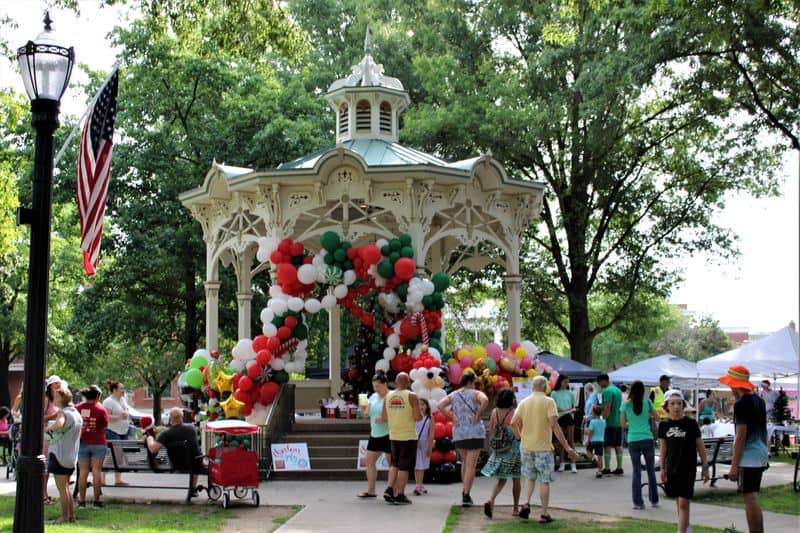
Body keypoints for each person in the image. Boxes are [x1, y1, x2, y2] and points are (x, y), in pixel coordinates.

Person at [511, 375, 576, 523]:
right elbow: (555, 426)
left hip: (526, 447)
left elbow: (513, 423)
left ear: (532, 387)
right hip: (544, 448)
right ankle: (544, 513)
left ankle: (526, 503)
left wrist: (520, 438)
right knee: (544, 481)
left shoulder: (524, 402)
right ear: (545, 387)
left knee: (529, 477)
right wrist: (566, 447)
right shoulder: (549, 402)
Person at [721, 365, 768, 533]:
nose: (730, 388)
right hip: (761, 454)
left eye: (730, 384)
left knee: (750, 497)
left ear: (735, 385)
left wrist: (734, 465)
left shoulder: (741, 404)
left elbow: (741, 436)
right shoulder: (759, 400)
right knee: (752, 496)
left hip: (749, 456)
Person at [658, 389, 709, 533]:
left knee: (684, 502)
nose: (676, 407)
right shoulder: (664, 425)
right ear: (667, 406)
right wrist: (662, 468)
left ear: (683, 405)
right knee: (678, 500)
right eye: (672, 403)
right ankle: (686, 528)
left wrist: (705, 467)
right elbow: (663, 448)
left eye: (679, 403)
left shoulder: (691, 424)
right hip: (672, 467)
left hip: (688, 468)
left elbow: (701, 446)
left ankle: (680, 531)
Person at [438, 372, 488, 506]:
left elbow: (440, 405)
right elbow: (485, 400)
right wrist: (478, 415)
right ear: (471, 381)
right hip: (474, 431)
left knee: (465, 462)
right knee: (471, 465)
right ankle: (466, 495)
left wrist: (451, 417)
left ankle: (464, 490)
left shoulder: (454, 394)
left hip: (459, 432)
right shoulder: (475, 393)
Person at [381, 372, 421, 505]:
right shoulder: (411, 395)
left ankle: (389, 488)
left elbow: (384, 417)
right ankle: (400, 494)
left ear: (396, 382)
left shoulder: (388, 396)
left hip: (393, 434)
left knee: (394, 464)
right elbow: (418, 417)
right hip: (408, 435)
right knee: (404, 467)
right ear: (408, 382)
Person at [481, 388, 521, 519]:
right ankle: (515, 508)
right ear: (511, 400)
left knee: (501, 479)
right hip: (513, 449)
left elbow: (492, 429)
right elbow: (518, 431)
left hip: (499, 449)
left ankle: (491, 499)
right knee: (516, 478)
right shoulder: (514, 413)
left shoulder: (494, 412)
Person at [44, 389, 82, 524]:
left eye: (56, 396)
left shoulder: (63, 412)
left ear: (61, 399)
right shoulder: (76, 414)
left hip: (59, 455)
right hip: (71, 457)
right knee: (66, 488)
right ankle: (71, 516)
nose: (53, 398)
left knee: (62, 489)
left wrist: (46, 429)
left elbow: (59, 424)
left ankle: (64, 517)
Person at [145, 407, 203, 495]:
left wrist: (149, 438)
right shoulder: (191, 428)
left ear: (170, 418)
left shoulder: (167, 433)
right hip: (193, 464)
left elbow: (153, 449)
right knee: (196, 457)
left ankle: (192, 489)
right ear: (182, 417)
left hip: (177, 464)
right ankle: (193, 488)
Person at [620, 380, 659, 510]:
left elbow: (623, 424)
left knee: (636, 471)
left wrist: (632, 423)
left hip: (633, 439)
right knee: (650, 470)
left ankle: (638, 502)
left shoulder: (625, 405)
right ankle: (654, 500)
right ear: (643, 390)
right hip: (647, 438)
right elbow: (657, 417)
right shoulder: (648, 402)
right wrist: (647, 417)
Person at [357, 371, 396, 499]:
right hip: (375, 433)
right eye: (374, 386)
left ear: (385, 384)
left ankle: (393, 490)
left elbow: (397, 415)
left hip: (389, 433)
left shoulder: (392, 396)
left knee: (392, 463)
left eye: (378, 386)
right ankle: (371, 490)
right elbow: (367, 414)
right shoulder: (373, 396)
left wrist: (385, 418)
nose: (376, 389)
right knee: (369, 461)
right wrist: (363, 410)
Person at [76, 385, 108, 508]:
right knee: (96, 472)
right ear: (98, 396)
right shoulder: (101, 410)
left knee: (83, 473)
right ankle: (96, 501)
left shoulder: (78, 408)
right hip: (98, 443)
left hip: (83, 443)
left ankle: (81, 501)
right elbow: (104, 425)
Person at [102, 380, 131, 486]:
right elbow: (106, 418)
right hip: (113, 430)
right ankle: (102, 476)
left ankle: (118, 479)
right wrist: (119, 417)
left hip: (124, 431)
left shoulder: (123, 400)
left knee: (120, 454)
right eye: (121, 388)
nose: (123, 391)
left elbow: (126, 411)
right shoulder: (108, 401)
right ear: (114, 390)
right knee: (115, 453)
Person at [597, 373, 624, 475]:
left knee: (607, 445)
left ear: (604, 380)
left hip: (610, 422)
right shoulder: (617, 390)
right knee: (618, 445)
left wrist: (603, 419)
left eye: (599, 382)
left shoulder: (607, 391)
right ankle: (619, 467)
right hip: (618, 421)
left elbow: (607, 407)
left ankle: (607, 468)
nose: (599, 385)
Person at [43, 375, 63, 504]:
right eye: (56, 384)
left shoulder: (57, 400)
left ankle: (45, 494)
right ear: (50, 385)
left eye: (60, 384)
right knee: (44, 466)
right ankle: (43, 495)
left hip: (53, 435)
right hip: (45, 435)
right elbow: (42, 418)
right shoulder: (46, 400)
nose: (59, 386)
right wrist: (56, 414)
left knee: (49, 467)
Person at [551, 374, 577, 473]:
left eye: (567, 382)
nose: (567, 383)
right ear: (560, 381)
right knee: (561, 441)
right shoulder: (554, 393)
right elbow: (554, 407)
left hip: (569, 418)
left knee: (570, 440)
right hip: (559, 419)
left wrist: (569, 410)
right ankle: (562, 463)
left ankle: (573, 464)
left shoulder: (570, 393)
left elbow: (574, 406)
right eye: (565, 381)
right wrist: (566, 410)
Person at [413, 398, 434, 496]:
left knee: (422, 465)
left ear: (427, 406)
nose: (421, 407)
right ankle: (418, 485)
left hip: (424, 444)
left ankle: (419, 485)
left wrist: (430, 447)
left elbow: (431, 433)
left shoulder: (430, 417)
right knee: (418, 466)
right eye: (419, 404)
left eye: (423, 404)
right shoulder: (413, 416)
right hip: (415, 443)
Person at [583, 404, 605, 478]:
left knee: (588, 451)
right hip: (601, 440)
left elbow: (590, 432)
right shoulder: (604, 421)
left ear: (593, 413)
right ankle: (600, 471)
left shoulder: (592, 422)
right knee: (600, 456)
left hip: (593, 440)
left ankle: (593, 459)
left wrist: (587, 440)